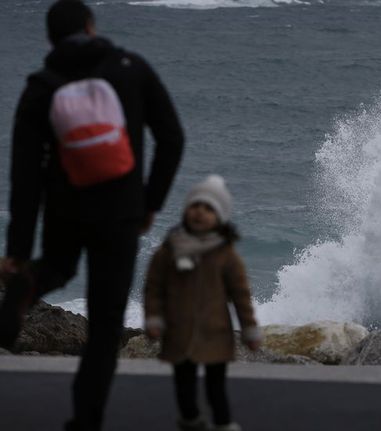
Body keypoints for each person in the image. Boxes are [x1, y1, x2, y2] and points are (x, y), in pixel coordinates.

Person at [0, 1, 184, 430]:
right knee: (105, 323)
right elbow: (172, 138)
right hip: (120, 213)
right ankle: (86, 419)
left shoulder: (41, 86)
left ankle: (31, 281)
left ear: (50, 39)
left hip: (66, 209)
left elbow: (24, 177)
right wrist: (149, 202)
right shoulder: (130, 69)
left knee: (58, 267)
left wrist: (18, 251)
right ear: (91, 26)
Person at [144, 174, 261, 431]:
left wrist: (250, 329)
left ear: (219, 218)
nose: (200, 212)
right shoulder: (169, 249)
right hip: (178, 331)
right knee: (183, 383)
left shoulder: (226, 255)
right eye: (195, 205)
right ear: (186, 210)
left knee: (215, 385)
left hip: (214, 333)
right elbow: (154, 288)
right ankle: (189, 420)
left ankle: (222, 423)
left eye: (209, 208)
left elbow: (241, 296)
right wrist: (153, 318)